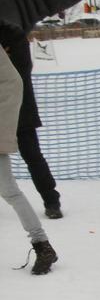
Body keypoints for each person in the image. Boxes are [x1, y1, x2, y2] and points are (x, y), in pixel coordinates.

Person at [1, 32, 57, 274]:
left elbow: (14, 82)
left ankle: (42, 245)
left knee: (9, 190)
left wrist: (3, 126)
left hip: (10, 123)